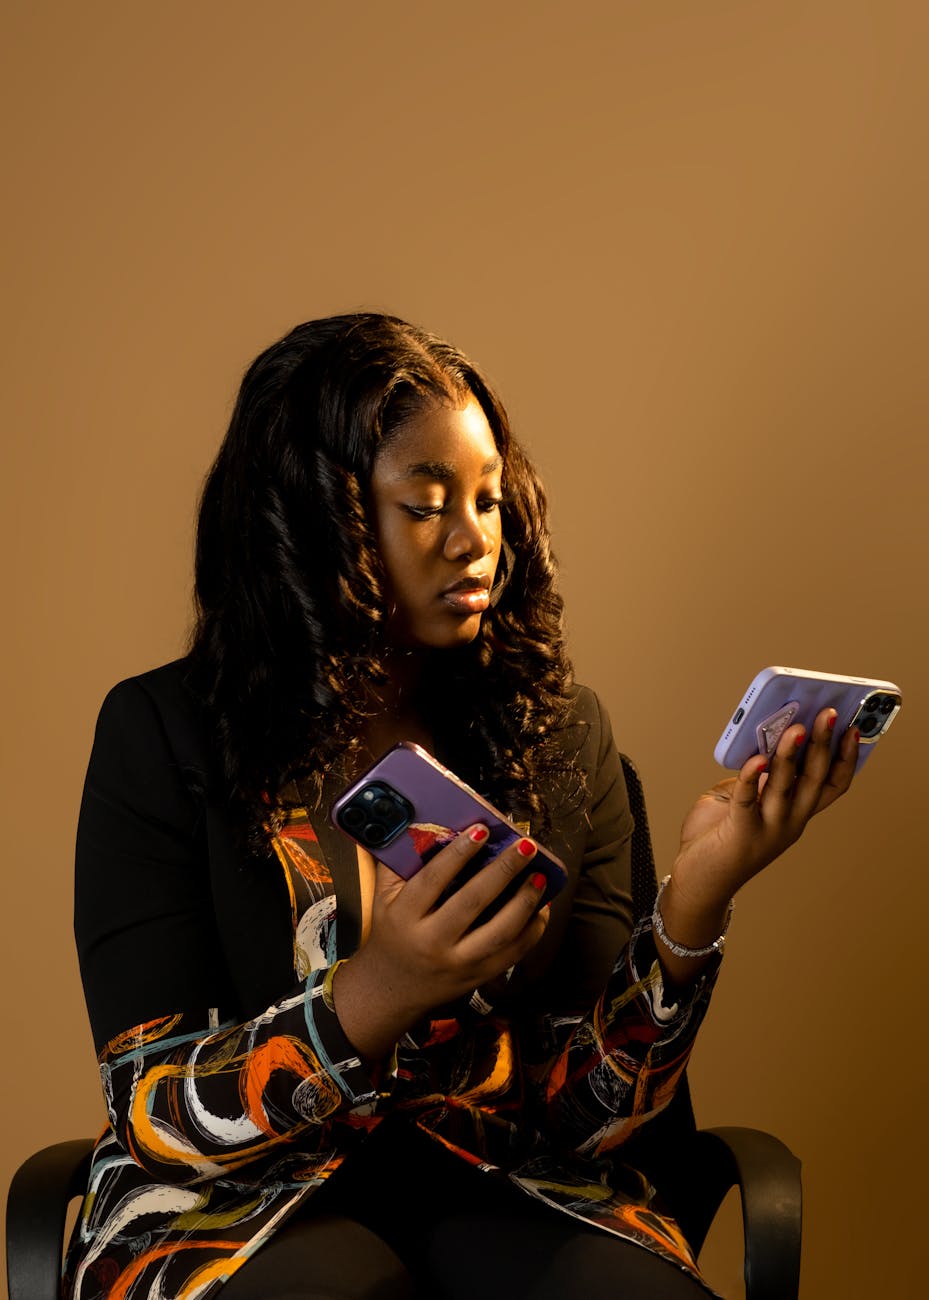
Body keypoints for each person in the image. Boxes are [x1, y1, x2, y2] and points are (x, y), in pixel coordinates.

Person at [64, 314, 858, 1300]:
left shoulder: (558, 737)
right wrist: (377, 992)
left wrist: (695, 900)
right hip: (234, 1208)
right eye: (426, 503)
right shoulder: (163, 734)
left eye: (488, 499)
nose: (475, 538)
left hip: (508, 1181)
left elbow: (590, 1120)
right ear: (319, 519)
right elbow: (157, 1115)